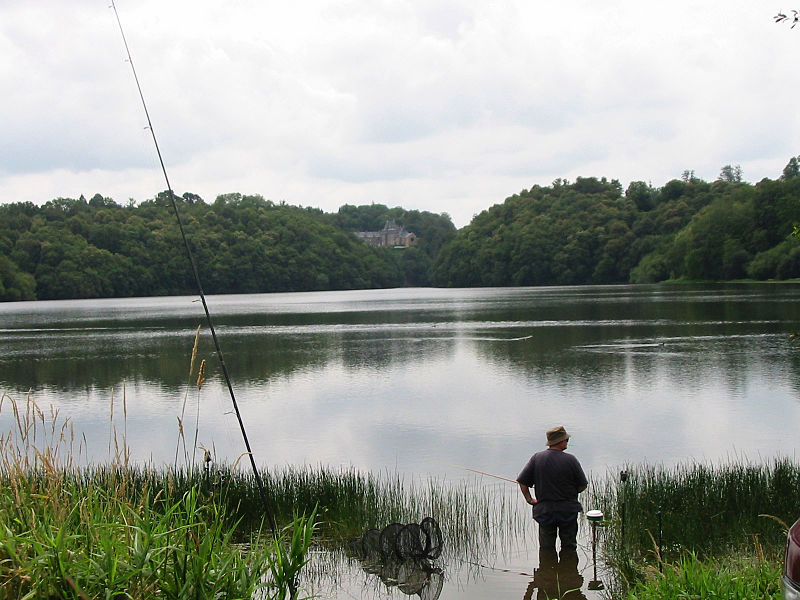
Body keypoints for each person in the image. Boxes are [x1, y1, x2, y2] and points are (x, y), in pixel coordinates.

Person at [517, 425, 588, 552]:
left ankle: (547, 569)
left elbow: (522, 482)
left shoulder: (537, 458)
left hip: (545, 512)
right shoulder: (571, 460)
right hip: (568, 511)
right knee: (569, 547)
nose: (567, 442)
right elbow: (583, 485)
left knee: (546, 549)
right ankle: (569, 570)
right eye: (566, 440)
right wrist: (571, 493)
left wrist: (530, 499)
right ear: (560, 441)